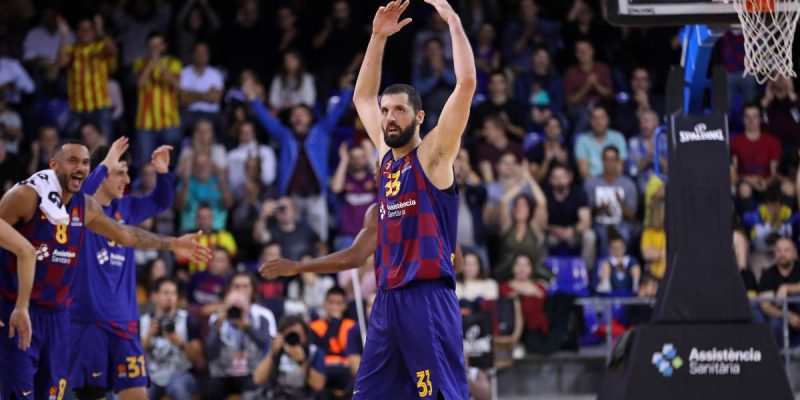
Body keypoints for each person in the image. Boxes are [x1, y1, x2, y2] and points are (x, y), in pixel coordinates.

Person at [0, 139, 211, 399]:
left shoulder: (100, 207)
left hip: (77, 319)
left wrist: (173, 243)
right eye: (73, 161)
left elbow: (128, 233)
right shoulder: (32, 196)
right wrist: (106, 164)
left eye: (85, 163)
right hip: (46, 315)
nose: (80, 167)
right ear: (54, 164)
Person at [347, 0, 475, 397]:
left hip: (426, 295)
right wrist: (377, 37)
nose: (389, 117)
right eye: (386, 110)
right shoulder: (386, 156)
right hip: (387, 298)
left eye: (399, 110)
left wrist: (452, 21)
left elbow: (466, 84)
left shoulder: (434, 155)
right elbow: (362, 98)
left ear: (419, 117)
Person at [68, 138, 176, 400]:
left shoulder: (126, 208)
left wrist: (163, 173)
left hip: (126, 322)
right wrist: (106, 163)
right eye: (120, 172)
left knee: (138, 395)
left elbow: (161, 201)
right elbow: (81, 196)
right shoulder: (76, 209)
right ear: (102, 174)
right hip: (89, 322)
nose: (126, 180)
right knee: (92, 396)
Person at [206, 272, 277, 400]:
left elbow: (268, 348)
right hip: (222, 374)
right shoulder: (217, 317)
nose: (241, 290)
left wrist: (249, 328)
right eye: (236, 286)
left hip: (252, 372)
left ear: (253, 289)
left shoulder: (263, 315)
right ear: (229, 289)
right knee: (211, 390)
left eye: (245, 286)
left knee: (254, 393)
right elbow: (210, 352)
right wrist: (217, 328)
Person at [141, 277, 204, 400]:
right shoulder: (143, 322)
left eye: (173, 293)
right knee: (136, 390)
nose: (170, 297)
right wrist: (148, 337)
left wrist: (180, 343)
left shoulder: (188, 320)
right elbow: (133, 356)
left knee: (178, 388)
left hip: (181, 373)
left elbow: (197, 358)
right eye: (165, 293)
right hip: (151, 375)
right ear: (154, 296)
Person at [252, 315, 326, 399]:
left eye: (297, 335)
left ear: (305, 336)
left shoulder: (314, 352)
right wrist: (272, 353)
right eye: (289, 335)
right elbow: (257, 379)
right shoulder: (273, 349)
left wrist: (301, 362)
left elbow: (319, 385)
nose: (293, 339)